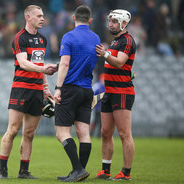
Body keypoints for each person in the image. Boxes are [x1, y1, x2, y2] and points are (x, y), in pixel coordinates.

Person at [0, 5, 57, 179]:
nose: (42, 18)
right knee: (13, 130)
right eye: (38, 16)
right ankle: (3, 170)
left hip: (37, 91)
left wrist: (46, 88)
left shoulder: (43, 39)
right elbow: (23, 63)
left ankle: (24, 171)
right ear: (28, 17)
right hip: (21, 89)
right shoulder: (19, 38)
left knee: (29, 134)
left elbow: (39, 67)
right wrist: (44, 69)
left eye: (43, 15)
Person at [54, 5, 100, 182]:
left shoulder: (69, 36)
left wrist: (58, 88)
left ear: (73, 18)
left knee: (62, 133)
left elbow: (65, 64)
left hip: (70, 88)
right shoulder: (96, 37)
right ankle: (79, 172)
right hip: (87, 89)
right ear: (90, 20)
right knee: (83, 132)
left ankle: (78, 169)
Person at [95, 9, 136, 180]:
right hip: (109, 91)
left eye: (114, 21)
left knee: (124, 133)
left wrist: (104, 53)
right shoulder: (115, 41)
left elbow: (119, 63)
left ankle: (126, 172)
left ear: (124, 24)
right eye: (110, 21)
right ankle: (105, 170)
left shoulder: (127, 40)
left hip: (122, 92)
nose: (110, 24)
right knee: (105, 132)